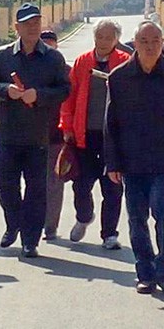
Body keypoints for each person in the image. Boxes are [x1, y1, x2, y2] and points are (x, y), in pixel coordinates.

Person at [105, 21, 164, 296]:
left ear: (162, 43)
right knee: (137, 218)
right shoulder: (119, 77)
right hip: (132, 161)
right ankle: (145, 272)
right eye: (144, 41)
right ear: (135, 44)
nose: (150, 46)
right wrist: (113, 163)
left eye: (155, 41)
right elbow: (111, 123)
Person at [0, 3, 70, 258]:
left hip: (38, 135)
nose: (32, 28)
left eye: (36, 23)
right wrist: (6, 90)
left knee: (36, 190)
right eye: (27, 23)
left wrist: (39, 95)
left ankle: (30, 240)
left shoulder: (53, 58)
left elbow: (64, 90)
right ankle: (13, 223)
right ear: (16, 27)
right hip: (8, 134)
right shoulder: (3, 56)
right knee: (4, 182)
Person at [59, 19, 129, 249]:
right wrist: (67, 127)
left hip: (113, 138)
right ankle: (84, 216)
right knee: (81, 184)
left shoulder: (125, 61)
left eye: (109, 38)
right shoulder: (83, 61)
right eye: (100, 37)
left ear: (116, 39)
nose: (104, 42)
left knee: (113, 188)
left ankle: (109, 234)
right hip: (85, 134)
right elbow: (69, 97)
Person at [40, 30, 69, 240]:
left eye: (51, 44)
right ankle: (23, 215)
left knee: (54, 183)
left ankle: (50, 226)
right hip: (28, 135)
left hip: (57, 135)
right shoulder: (31, 69)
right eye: (45, 44)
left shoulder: (66, 71)